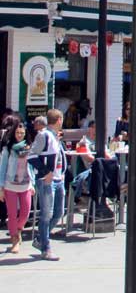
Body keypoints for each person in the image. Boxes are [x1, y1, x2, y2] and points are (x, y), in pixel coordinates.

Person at [28, 110, 67, 260]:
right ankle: (46, 247)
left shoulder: (55, 137)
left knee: (58, 212)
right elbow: (31, 156)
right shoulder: (43, 135)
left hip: (58, 179)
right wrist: (46, 172)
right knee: (46, 214)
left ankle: (41, 239)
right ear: (58, 120)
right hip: (47, 180)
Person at [0, 120, 34, 253]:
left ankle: (18, 230)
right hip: (10, 185)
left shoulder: (29, 147)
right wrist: (1, 188)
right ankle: (14, 239)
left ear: (25, 134)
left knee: (25, 213)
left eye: (22, 133)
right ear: (13, 133)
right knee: (12, 214)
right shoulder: (8, 148)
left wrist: (32, 184)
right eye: (17, 132)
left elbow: (31, 167)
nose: (19, 135)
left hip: (25, 184)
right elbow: (2, 168)